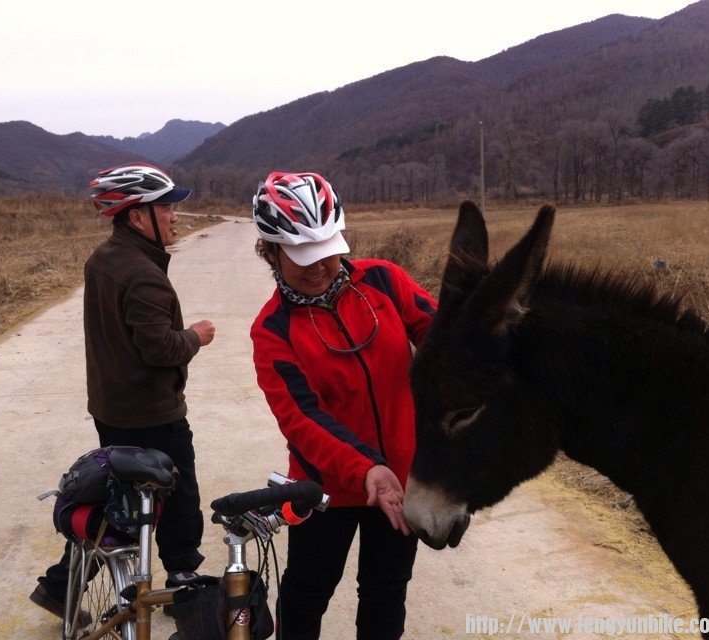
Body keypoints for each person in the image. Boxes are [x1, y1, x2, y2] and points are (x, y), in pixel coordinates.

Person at [250, 172, 437, 639]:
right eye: (302, 257)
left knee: (387, 589)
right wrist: (367, 468)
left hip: (403, 480)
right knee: (307, 593)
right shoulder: (272, 330)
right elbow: (302, 419)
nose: (319, 267)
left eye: (327, 251)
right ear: (271, 251)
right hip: (325, 488)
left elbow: (446, 338)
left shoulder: (384, 281)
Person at [31, 163, 215, 619]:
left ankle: (61, 587)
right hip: (152, 413)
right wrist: (197, 335)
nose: (175, 216)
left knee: (119, 502)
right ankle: (183, 581)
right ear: (137, 216)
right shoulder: (144, 274)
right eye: (167, 207)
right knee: (176, 496)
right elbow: (161, 348)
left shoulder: (104, 258)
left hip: (112, 407)